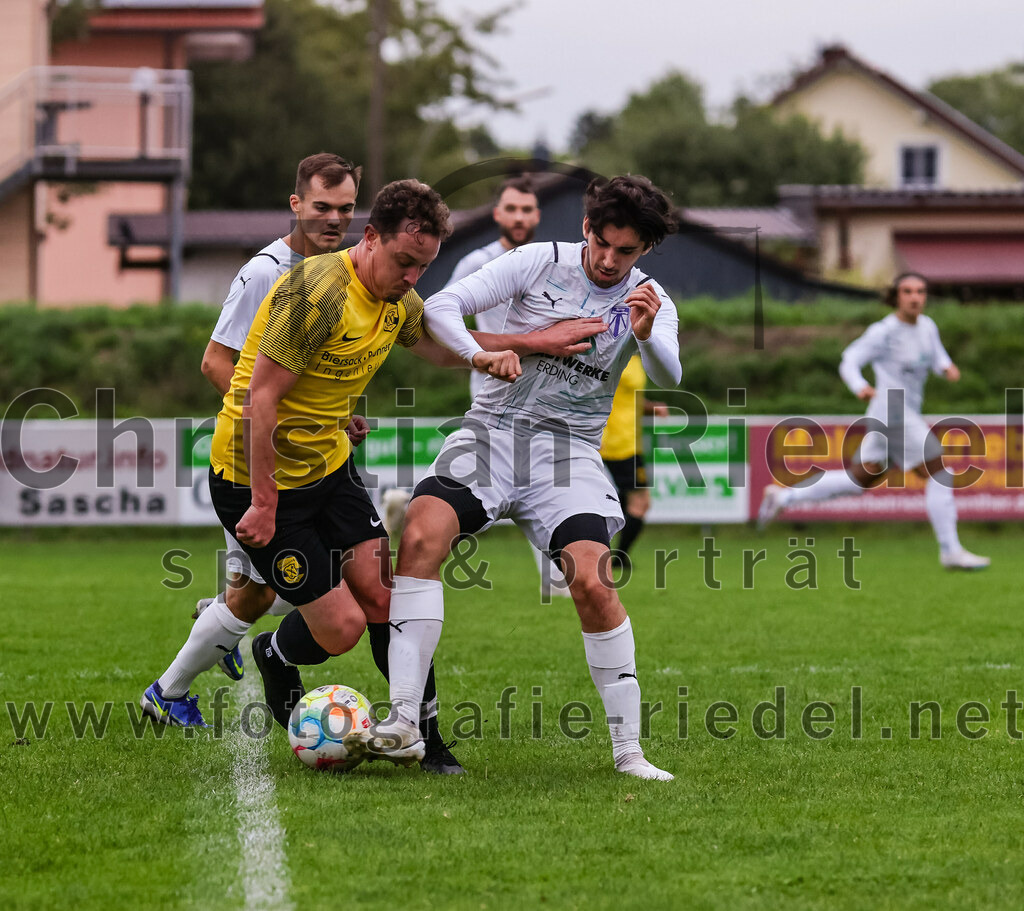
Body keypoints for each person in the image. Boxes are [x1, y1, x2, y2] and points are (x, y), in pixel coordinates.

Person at [371, 175, 682, 780]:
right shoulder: (538, 261)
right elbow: (439, 308)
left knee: (593, 582)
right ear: (587, 228)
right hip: (490, 431)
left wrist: (646, 336)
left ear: (644, 249)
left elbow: (670, 375)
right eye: (603, 244)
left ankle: (630, 753)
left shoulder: (651, 299)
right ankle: (405, 720)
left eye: (626, 252)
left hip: (567, 452)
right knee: (420, 537)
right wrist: (488, 352)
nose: (610, 261)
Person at [142, 152, 360, 724]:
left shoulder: (338, 269)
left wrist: (333, 418)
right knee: (265, 591)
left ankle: (207, 637)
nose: (334, 219)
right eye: (322, 206)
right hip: (252, 463)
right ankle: (173, 683)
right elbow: (217, 363)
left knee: (279, 584)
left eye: (345, 208)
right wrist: (283, 425)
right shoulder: (267, 271)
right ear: (295, 204)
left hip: (303, 462)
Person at [758, 271, 990, 571]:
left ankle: (784, 497)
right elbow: (849, 359)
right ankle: (951, 551)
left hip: (898, 413)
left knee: (860, 479)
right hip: (891, 410)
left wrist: (946, 367)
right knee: (939, 472)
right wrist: (859, 386)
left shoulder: (927, 326)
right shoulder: (884, 332)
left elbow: (937, 356)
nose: (915, 297)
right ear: (896, 297)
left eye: (920, 291)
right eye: (908, 291)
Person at [599, 354, 668, 572]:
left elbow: (626, 398)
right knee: (640, 502)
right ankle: (617, 558)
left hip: (628, 442)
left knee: (623, 501)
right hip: (618, 443)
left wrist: (650, 407)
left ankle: (613, 555)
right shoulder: (613, 354)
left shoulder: (636, 359)